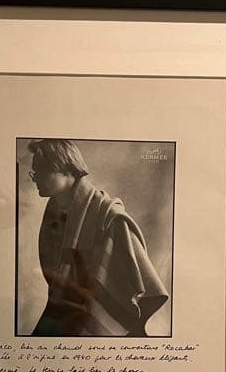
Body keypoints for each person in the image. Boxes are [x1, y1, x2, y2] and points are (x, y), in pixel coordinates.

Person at [27, 138, 169, 337]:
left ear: (65, 168)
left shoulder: (109, 217)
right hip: (64, 306)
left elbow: (130, 281)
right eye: (34, 173)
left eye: (41, 172)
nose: (35, 179)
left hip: (91, 316)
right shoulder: (55, 210)